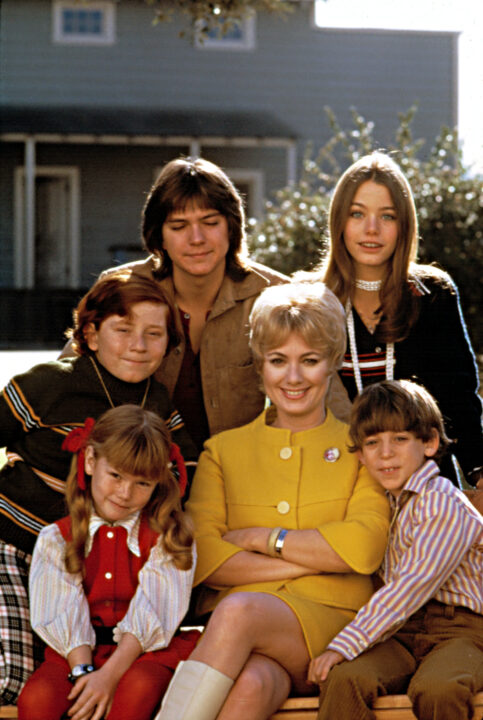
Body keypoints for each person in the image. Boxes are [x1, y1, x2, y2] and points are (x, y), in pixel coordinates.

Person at [154, 282, 390, 720]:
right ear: (260, 366)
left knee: (240, 608)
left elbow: (363, 548)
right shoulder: (222, 451)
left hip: (337, 632)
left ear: (332, 363)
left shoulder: (362, 448)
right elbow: (204, 557)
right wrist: (317, 558)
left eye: (310, 361)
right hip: (252, 642)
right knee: (252, 685)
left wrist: (265, 538)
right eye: (278, 361)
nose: (293, 378)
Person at [0, 269, 197, 705]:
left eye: (154, 334)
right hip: (16, 542)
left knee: (80, 682)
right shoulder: (48, 384)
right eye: (123, 331)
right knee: (14, 679)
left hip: (92, 558)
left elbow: (187, 468)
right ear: (90, 334)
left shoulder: (158, 403)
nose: (139, 345)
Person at [93, 156, 351, 451]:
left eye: (210, 222)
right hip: (141, 477)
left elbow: (330, 399)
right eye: (179, 226)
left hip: (245, 475)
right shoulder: (121, 289)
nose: (197, 238)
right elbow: (70, 380)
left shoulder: (276, 296)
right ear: (159, 236)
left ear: (231, 226)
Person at [309, 379, 483, 720]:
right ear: (360, 455)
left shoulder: (442, 503)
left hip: (461, 631)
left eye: (400, 439)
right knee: (345, 678)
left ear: (430, 443)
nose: (385, 453)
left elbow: (411, 585)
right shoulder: (381, 504)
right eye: (373, 443)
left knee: (438, 689)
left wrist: (344, 644)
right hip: (402, 631)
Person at [17, 405, 199, 720]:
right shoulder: (57, 538)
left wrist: (110, 677)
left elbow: (155, 609)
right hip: (74, 655)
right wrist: (85, 673)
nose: (125, 493)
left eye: (142, 483)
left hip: (144, 654)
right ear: (90, 461)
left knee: (137, 689)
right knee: (38, 699)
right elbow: (61, 609)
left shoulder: (168, 538)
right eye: (115, 475)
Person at [313, 151, 482, 487]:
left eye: (387, 216)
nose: (371, 229)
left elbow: (460, 398)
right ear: (339, 222)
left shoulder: (432, 294)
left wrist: (479, 475)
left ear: (404, 224)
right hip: (339, 487)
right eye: (357, 214)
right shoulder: (312, 301)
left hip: (427, 491)